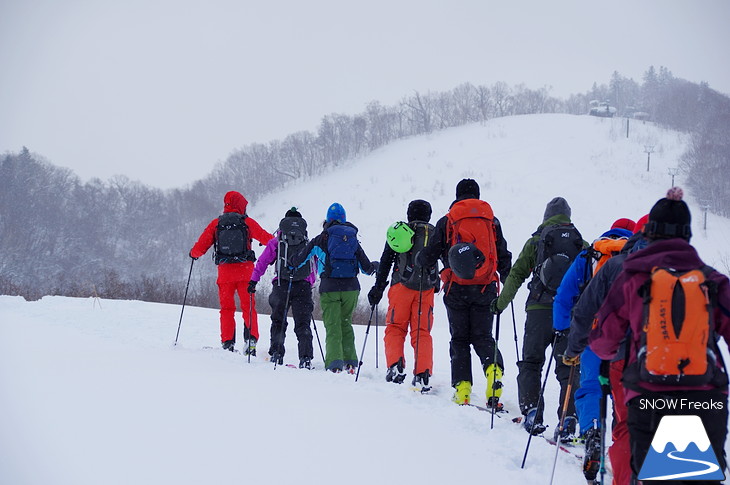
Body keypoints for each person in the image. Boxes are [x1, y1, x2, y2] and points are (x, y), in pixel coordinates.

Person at [591, 188, 730, 484]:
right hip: (706, 398)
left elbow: (604, 340)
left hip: (649, 397)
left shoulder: (633, 278)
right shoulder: (712, 280)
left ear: (649, 233)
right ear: (688, 236)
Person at [563, 214, 648, 485]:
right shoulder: (678, 267)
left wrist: (571, 345)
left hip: (606, 344)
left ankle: (592, 432)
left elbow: (575, 302)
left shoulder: (594, 255)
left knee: (592, 389)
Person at [490, 197, 587, 435]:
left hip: (538, 312)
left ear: (546, 216)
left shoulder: (537, 241)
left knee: (531, 363)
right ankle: (568, 418)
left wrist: (500, 304)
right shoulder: (580, 244)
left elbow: (516, 275)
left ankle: (532, 412)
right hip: (569, 314)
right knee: (568, 368)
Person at [416, 179, 512, 406]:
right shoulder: (492, 221)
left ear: (457, 195)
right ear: (477, 196)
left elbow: (432, 253)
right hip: (485, 288)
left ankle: (462, 389)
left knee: (459, 340)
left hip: (456, 288)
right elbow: (502, 254)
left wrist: (421, 259)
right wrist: (507, 276)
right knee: (483, 337)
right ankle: (493, 371)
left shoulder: (448, 220)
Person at [288, 203, 378, 373]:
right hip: (351, 288)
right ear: (344, 219)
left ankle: (334, 363)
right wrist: (375, 266)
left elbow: (300, 259)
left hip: (330, 287)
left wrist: (291, 263)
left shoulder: (321, 239)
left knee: (332, 325)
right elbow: (366, 268)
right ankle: (350, 361)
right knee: (346, 323)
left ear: (327, 220)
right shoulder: (352, 239)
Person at [368, 199, 440, 391]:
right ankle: (423, 373)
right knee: (422, 332)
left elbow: (386, 261)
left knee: (396, 327)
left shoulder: (401, 232)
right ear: (429, 215)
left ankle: (395, 366)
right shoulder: (435, 233)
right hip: (426, 290)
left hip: (401, 286)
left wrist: (378, 288)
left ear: (409, 214)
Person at [190, 191, 274, 354]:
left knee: (227, 309)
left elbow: (201, 246)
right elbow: (267, 239)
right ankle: (250, 341)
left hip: (225, 274)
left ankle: (227, 343)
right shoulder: (247, 222)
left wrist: (193, 254)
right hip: (246, 273)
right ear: (240, 205)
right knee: (248, 307)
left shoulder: (216, 223)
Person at [248, 207, 316, 369]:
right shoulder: (307, 243)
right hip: (303, 287)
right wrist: (309, 283)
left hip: (281, 285)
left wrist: (253, 280)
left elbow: (263, 262)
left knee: (278, 321)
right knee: (303, 323)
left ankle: (277, 353)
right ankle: (305, 358)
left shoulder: (277, 241)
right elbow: (314, 265)